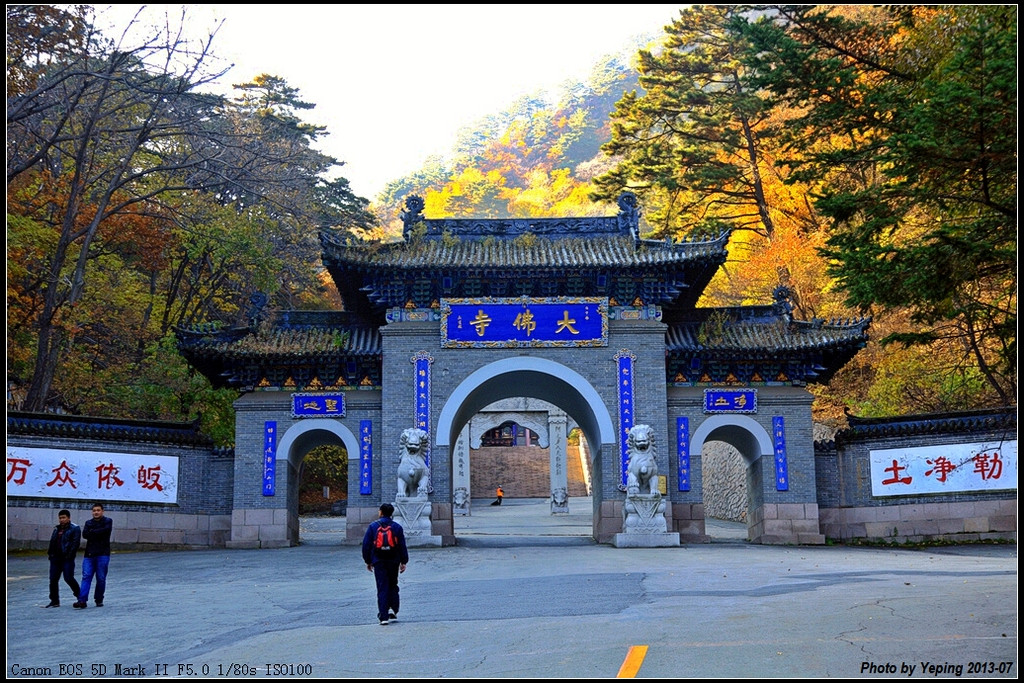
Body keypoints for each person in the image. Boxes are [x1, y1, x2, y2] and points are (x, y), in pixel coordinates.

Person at [361, 503, 408, 625]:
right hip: (393, 560)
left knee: (382, 586)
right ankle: (393, 608)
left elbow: (366, 545)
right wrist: (404, 561)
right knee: (393, 584)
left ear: (381, 512)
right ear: (391, 513)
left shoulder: (373, 526)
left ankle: (383, 616)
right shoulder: (397, 527)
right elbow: (402, 546)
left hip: (378, 560)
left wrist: (368, 561)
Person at [74, 503, 112, 609]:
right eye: (94, 510)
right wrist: (95, 532)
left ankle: (99, 599)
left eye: (98, 510)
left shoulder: (108, 521)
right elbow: (85, 535)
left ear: (102, 511)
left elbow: (105, 531)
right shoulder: (88, 522)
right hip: (89, 554)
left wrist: (93, 532)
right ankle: (82, 600)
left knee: (101, 578)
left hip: (103, 554)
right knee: (86, 576)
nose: (96, 512)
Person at [45, 509, 82, 608]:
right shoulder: (57, 529)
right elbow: (52, 542)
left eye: (64, 517)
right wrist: (50, 554)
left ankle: (80, 596)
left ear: (68, 518)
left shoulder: (75, 528)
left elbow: (75, 543)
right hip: (55, 558)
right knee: (53, 579)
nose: (62, 520)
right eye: (60, 518)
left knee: (69, 578)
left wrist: (69, 555)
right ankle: (54, 600)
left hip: (67, 558)